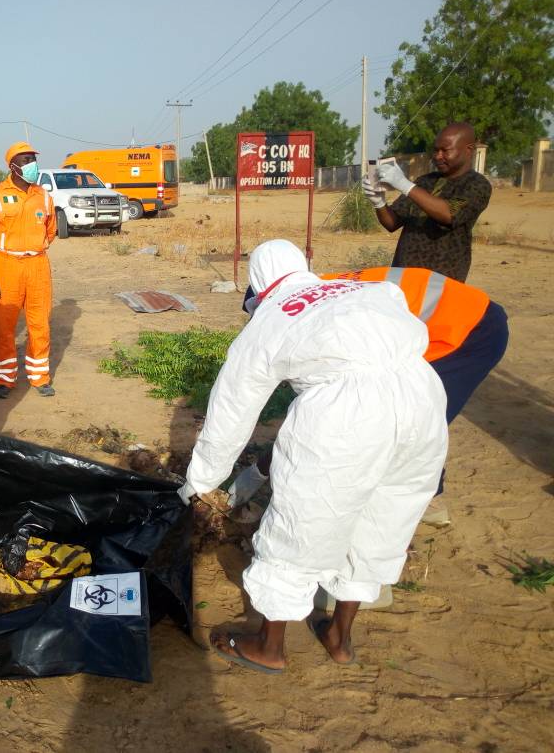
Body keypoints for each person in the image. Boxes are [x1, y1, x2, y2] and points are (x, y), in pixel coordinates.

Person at [179, 239, 447, 674]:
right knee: (383, 519)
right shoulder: (365, 289)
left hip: (346, 418)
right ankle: (339, 638)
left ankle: (268, 647)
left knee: (301, 526)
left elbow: (231, 410)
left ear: (259, 288)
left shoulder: (270, 319)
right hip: (422, 396)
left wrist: (201, 479)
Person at [234, 266, 509, 527]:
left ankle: (423, 504)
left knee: (407, 417)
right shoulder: (318, 289)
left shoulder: (329, 321)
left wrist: (258, 471)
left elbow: (323, 415)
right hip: (450, 313)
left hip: (468, 332)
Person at [363, 122, 492, 282]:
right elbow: (392, 223)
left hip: (442, 281)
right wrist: (379, 203)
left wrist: (404, 184)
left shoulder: (476, 184)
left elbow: (450, 214)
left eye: (445, 150)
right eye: (436, 150)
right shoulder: (424, 182)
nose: (438, 156)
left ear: (468, 150)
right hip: (403, 277)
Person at [0, 141, 57, 398]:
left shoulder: (44, 196)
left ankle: (39, 377)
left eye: (33, 159)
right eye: (25, 160)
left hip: (37, 266)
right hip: (7, 267)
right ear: (12, 166)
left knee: (39, 324)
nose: (31, 164)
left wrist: (34, 248)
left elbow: (51, 230)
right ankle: (5, 379)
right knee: (4, 326)